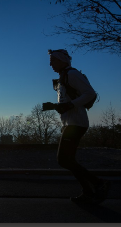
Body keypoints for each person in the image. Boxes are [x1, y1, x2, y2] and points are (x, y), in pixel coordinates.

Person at [43, 49, 110, 204]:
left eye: (53, 60)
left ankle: (99, 183)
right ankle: (88, 191)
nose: (50, 64)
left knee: (63, 160)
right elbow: (66, 102)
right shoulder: (63, 77)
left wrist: (69, 105)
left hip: (76, 123)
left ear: (62, 61)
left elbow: (90, 94)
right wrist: (54, 106)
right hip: (71, 123)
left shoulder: (72, 74)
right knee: (68, 160)